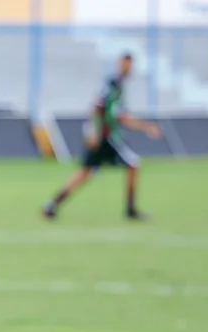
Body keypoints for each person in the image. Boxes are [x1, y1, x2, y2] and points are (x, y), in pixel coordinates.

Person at [43, 53, 161, 222]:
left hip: (104, 136)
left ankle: (52, 205)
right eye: (126, 64)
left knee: (86, 172)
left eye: (131, 64)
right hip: (105, 138)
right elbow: (98, 108)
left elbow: (121, 116)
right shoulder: (113, 85)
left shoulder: (118, 87)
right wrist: (94, 132)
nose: (129, 67)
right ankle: (131, 210)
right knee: (133, 165)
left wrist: (144, 127)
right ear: (120, 64)